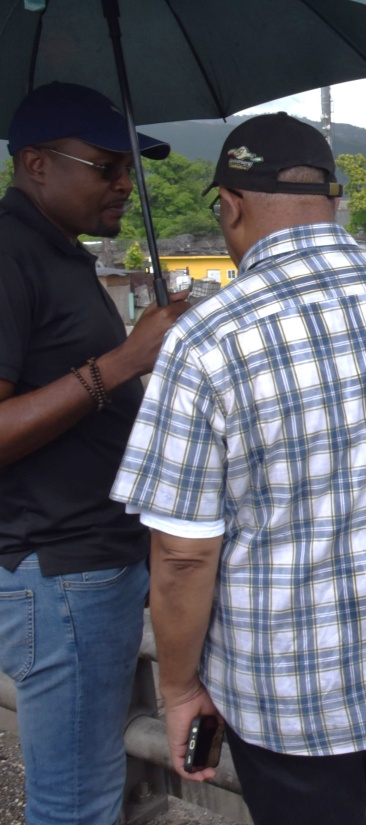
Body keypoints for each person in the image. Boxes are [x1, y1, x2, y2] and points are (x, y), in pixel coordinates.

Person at [111, 113, 366, 825]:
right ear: (332, 200)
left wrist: (182, 689)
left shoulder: (210, 339)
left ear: (231, 205)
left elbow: (183, 558)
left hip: (291, 700)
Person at [0, 82, 189, 825]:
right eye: (107, 166)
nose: (123, 184)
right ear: (38, 164)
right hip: (63, 573)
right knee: (76, 803)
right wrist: (125, 359)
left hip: (97, 564)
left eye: (129, 171)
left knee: (93, 785)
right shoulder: (9, 253)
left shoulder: (62, 252)